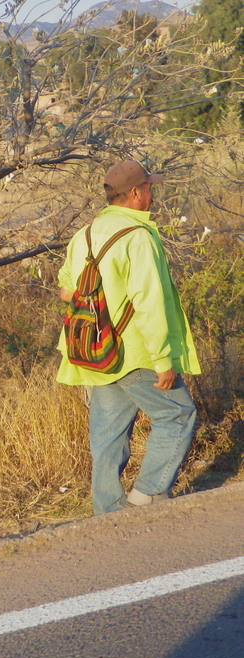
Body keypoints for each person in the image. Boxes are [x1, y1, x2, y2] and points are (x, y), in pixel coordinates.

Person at [56, 160, 200, 515]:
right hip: (135, 351)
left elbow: (65, 290)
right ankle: (149, 494)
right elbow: (149, 303)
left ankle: (108, 509)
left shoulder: (85, 233)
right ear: (135, 194)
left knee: (108, 434)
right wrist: (163, 361)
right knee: (178, 415)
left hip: (95, 349)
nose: (153, 194)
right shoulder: (137, 237)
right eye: (150, 188)